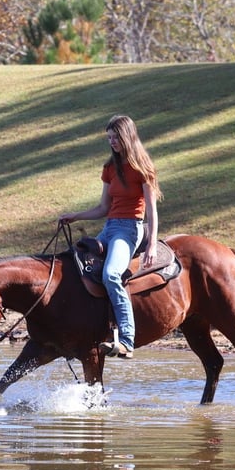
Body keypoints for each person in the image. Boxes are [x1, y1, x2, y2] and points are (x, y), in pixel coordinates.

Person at [59, 114, 162, 359]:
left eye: (116, 137)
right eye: (109, 138)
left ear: (127, 137)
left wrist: (152, 246)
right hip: (109, 227)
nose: (112, 142)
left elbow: (152, 210)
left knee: (111, 274)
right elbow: (103, 208)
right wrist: (75, 216)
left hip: (130, 229)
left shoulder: (142, 168)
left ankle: (126, 339)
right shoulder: (109, 168)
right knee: (77, 266)